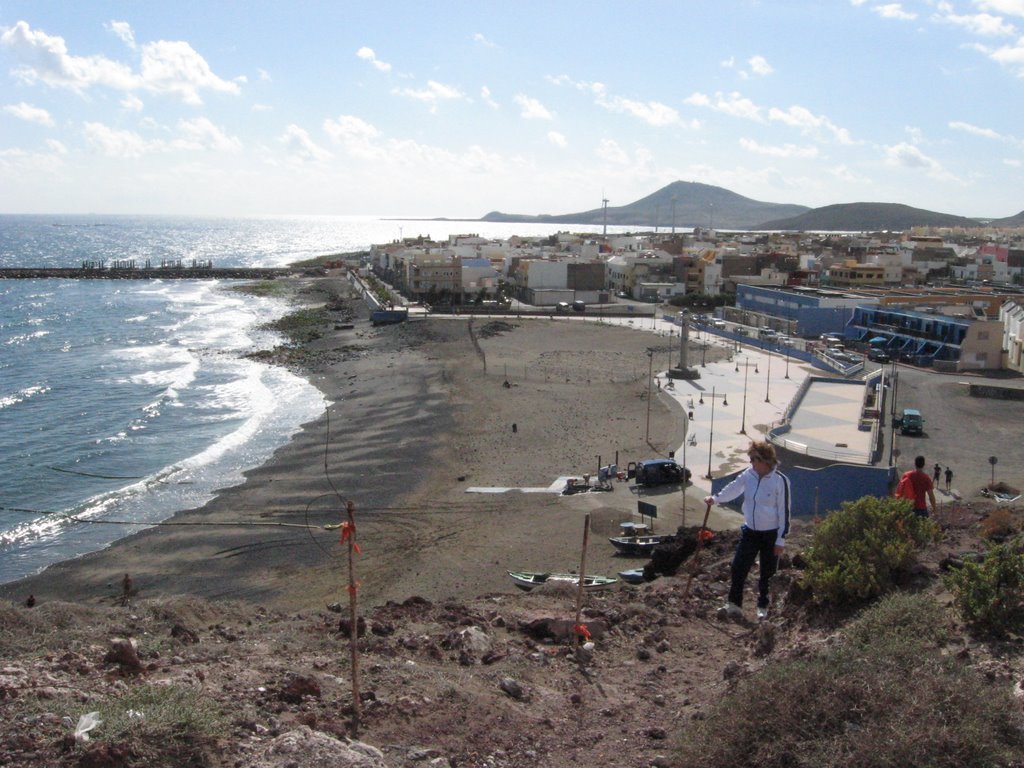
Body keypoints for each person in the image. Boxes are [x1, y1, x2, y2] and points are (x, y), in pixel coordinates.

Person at [704, 440, 791, 621]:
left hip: (771, 534)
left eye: (753, 459)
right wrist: (716, 499)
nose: (751, 462)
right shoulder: (748, 475)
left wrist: (780, 540)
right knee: (738, 567)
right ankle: (734, 604)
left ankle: (763, 606)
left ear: (765, 460)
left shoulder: (780, 481)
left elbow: (785, 512)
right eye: (750, 459)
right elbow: (734, 488)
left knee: (767, 573)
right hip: (750, 531)